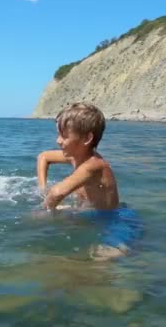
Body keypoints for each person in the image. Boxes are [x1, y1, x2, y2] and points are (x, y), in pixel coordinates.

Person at [37, 103, 140, 260]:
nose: (58, 140)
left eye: (64, 136)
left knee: (103, 257)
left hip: (114, 220)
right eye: (58, 134)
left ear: (87, 138)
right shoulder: (74, 156)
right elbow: (43, 157)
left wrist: (41, 212)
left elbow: (57, 193)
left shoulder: (93, 165)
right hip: (91, 214)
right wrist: (42, 187)